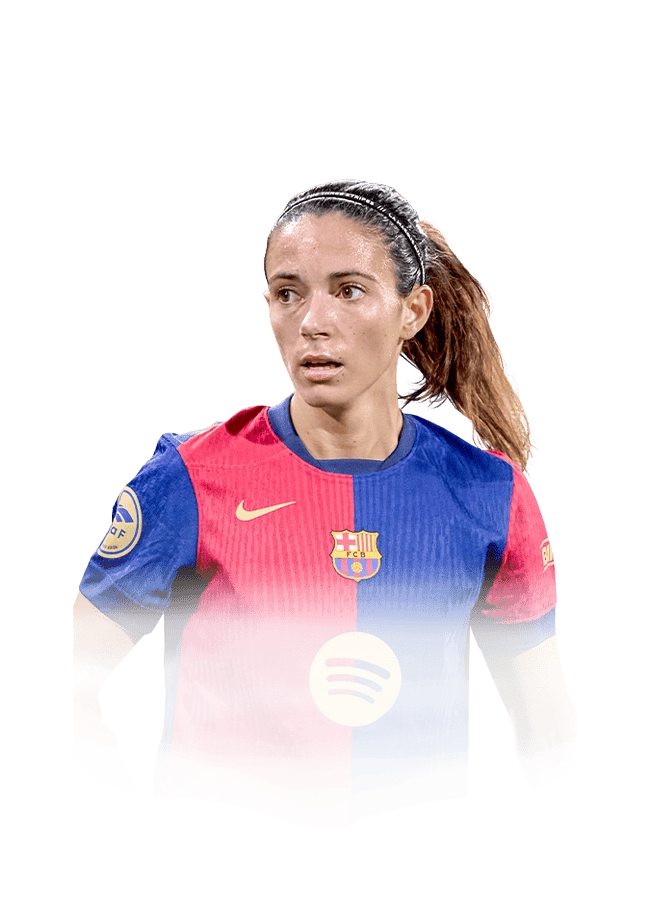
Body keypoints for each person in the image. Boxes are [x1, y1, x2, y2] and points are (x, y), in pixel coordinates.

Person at [72, 179, 578, 831]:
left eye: (349, 290)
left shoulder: (488, 494)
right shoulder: (190, 480)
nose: (312, 322)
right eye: (288, 293)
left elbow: (548, 737)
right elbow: (72, 668)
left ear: (413, 310)